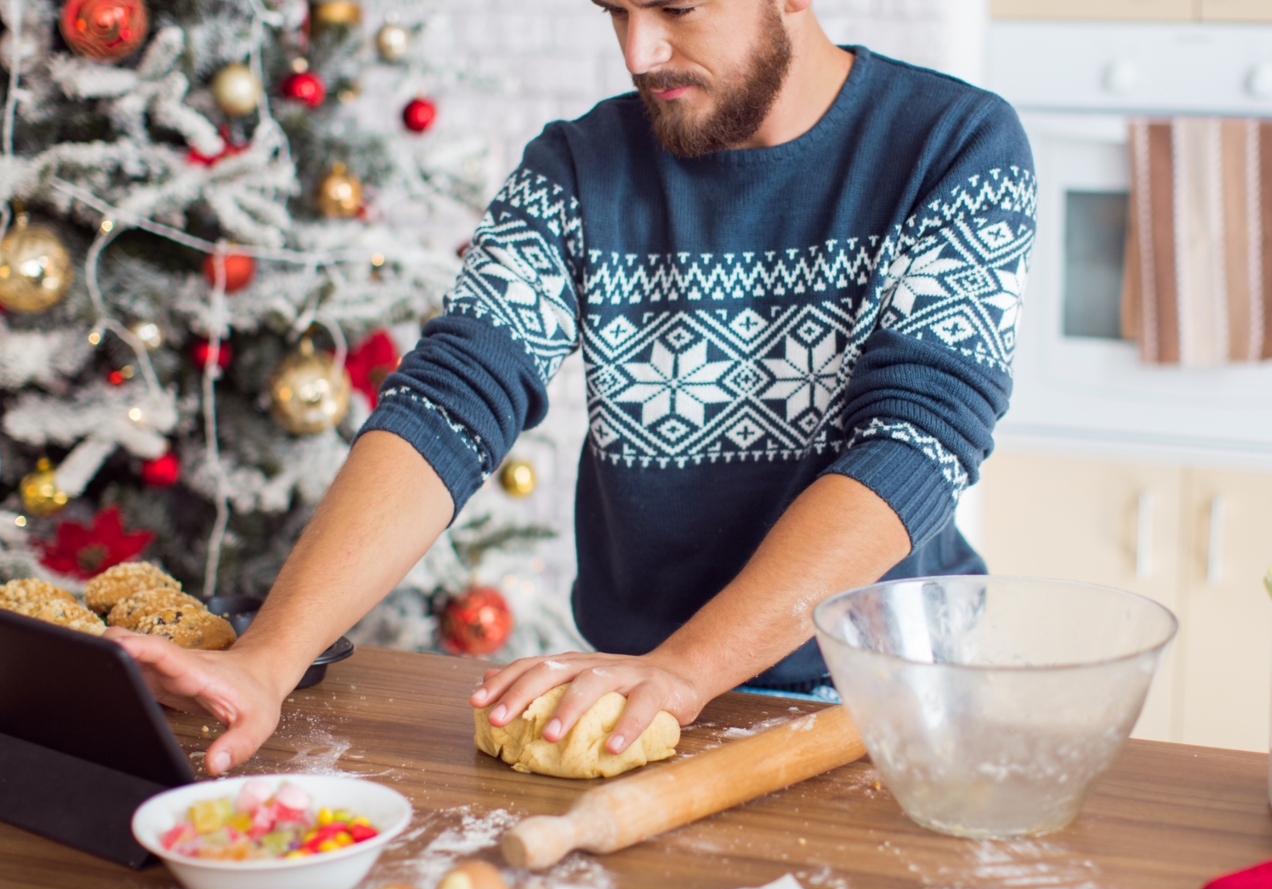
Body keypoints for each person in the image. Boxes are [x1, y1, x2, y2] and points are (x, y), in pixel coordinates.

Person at [113, 0, 1034, 776]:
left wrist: (685, 668)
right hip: (645, 703)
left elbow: (919, 440)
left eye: (674, 8)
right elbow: (454, 397)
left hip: (883, 707)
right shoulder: (576, 168)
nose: (641, 54)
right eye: (616, 13)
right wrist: (272, 660)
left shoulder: (955, 145)